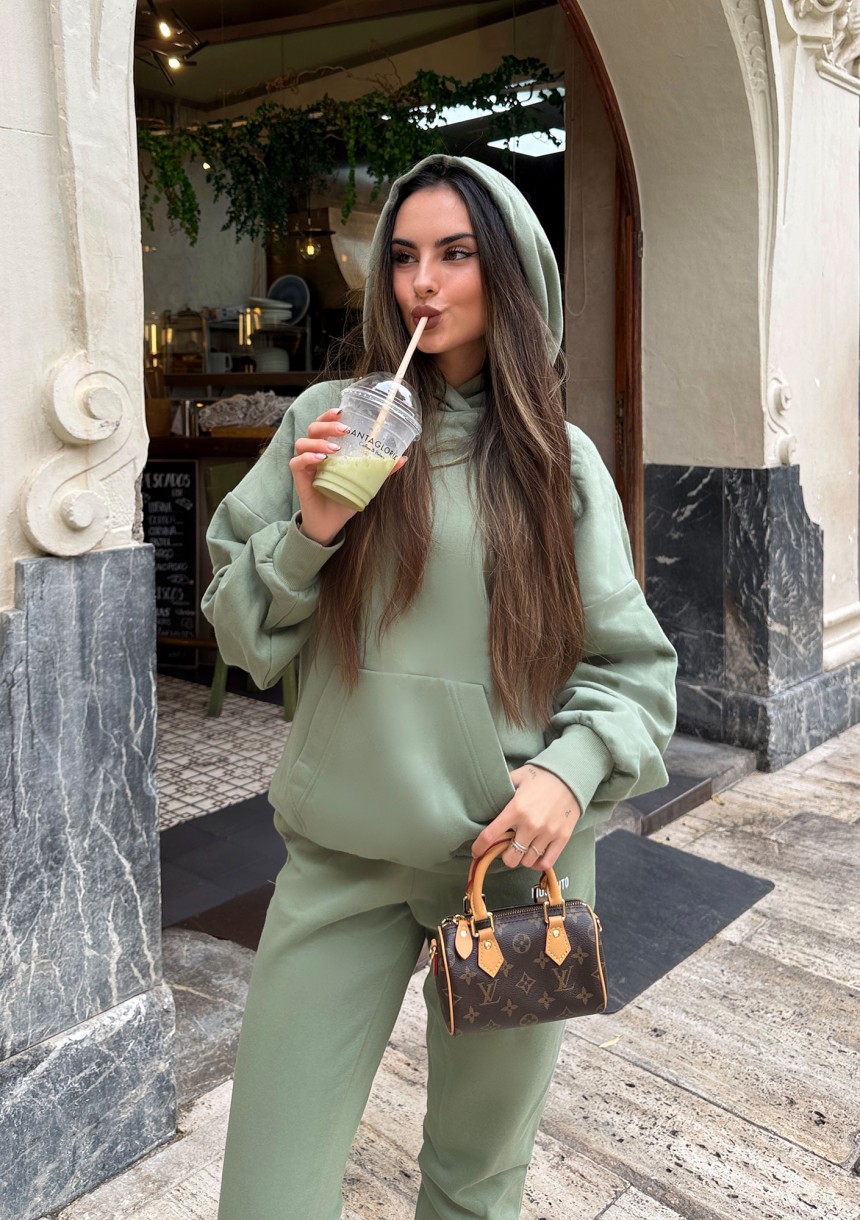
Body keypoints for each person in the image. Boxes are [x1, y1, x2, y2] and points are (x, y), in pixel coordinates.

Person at [202, 153, 677, 1220]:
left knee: (476, 1177)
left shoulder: (559, 462)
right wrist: (313, 529)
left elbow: (633, 670)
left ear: (510, 275)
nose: (423, 281)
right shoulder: (329, 421)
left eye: (455, 254)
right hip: (344, 854)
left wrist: (570, 769)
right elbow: (239, 633)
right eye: (404, 256)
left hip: (515, 870)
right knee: (267, 1192)